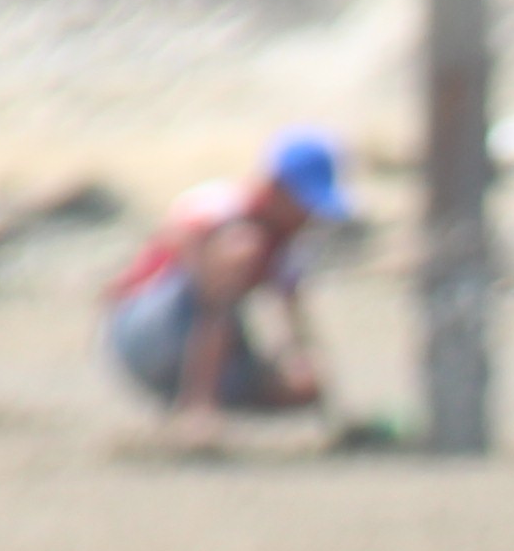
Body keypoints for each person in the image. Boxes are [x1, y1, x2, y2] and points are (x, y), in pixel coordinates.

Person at [102, 131, 348, 428]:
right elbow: (211, 305)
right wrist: (201, 406)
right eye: (305, 203)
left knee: (296, 386)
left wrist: (325, 407)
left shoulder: (286, 243)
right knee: (240, 251)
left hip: (195, 338)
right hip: (145, 329)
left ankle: (195, 405)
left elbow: (296, 329)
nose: (310, 216)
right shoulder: (224, 210)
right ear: (277, 188)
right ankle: (196, 408)